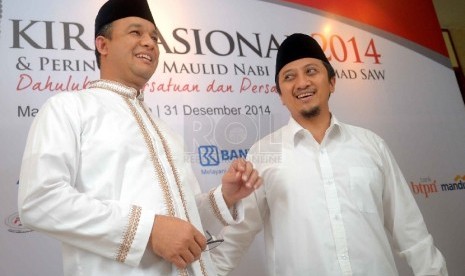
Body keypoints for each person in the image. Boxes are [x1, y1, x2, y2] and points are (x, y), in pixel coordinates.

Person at [17, 0, 261, 275]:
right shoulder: (68, 108)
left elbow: (182, 221)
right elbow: (39, 200)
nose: (149, 43)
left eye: (154, 37)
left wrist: (224, 197)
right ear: (102, 45)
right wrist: (148, 230)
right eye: (136, 33)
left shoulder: (165, 131)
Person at [211, 33, 448, 276]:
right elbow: (236, 236)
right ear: (280, 94)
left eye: (311, 71)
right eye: (289, 77)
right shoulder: (264, 153)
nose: (302, 83)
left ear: (332, 82)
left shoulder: (371, 145)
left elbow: (412, 234)